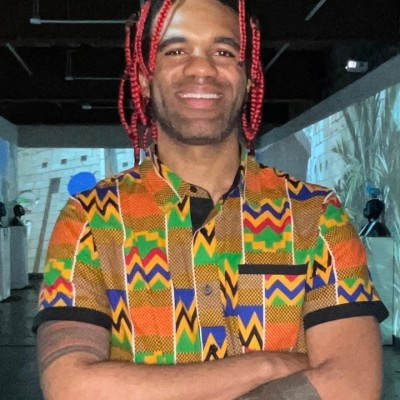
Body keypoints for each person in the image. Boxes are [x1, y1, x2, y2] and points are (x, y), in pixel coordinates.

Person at [34, 0, 388, 399]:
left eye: (223, 52)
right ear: (144, 77)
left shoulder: (315, 214)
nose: (201, 68)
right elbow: (72, 388)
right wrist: (270, 364)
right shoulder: (89, 220)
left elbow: (353, 387)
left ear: (249, 76)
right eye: (176, 50)